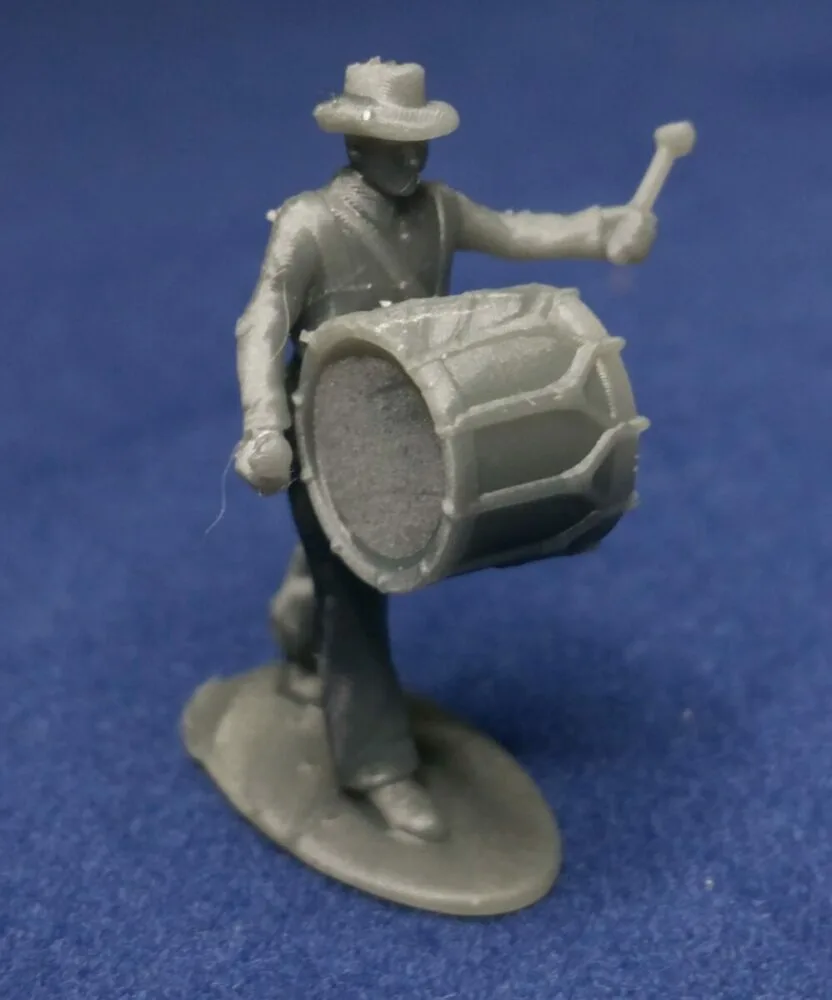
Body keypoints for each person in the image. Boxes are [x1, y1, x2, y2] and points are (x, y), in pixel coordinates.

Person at [233, 58, 657, 842]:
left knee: (332, 571)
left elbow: (520, 232)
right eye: (394, 142)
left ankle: (296, 624)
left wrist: (605, 230)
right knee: (357, 599)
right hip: (325, 435)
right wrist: (264, 427)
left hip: (417, 429)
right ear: (356, 144)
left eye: (418, 141)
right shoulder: (309, 224)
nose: (410, 157)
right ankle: (376, 766)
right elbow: (262, 324)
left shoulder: (438, 210)